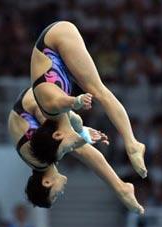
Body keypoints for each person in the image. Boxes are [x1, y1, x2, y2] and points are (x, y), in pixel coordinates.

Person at [30, 21, 147, 179]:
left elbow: (62, 102)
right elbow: (76, 123)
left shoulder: (51, 105)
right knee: (97, 91)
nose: (70, 150)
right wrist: (85, 134)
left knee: (99, 91)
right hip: (58, 59)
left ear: (57, 135)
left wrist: (77, 101)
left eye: (64, 150)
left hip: (55, 38)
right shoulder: (58, 121)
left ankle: (132, 144)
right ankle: (132, 144)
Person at [9, 87, 144, 213]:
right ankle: (121, 187)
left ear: (46, 182)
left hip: (38, 96)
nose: (61, 192)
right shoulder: (40, 161)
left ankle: (123, 183)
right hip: (35, 99)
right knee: (72, 135)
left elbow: (85, 153)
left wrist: (117, 186)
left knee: (97, 94)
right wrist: (80, 135)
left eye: (55, 194)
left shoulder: (40, 159)